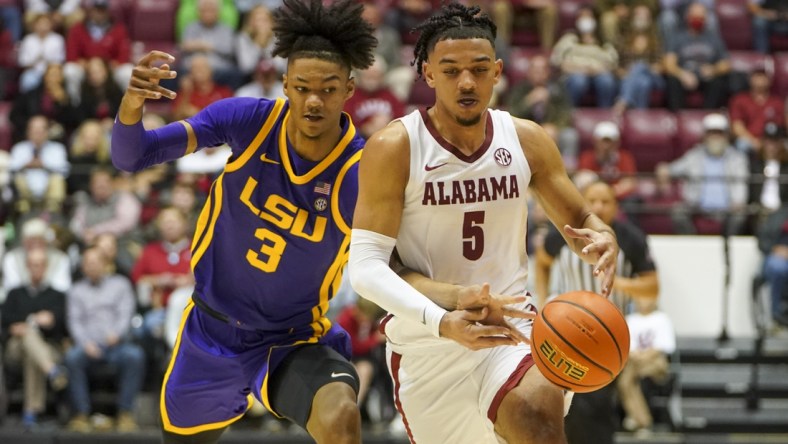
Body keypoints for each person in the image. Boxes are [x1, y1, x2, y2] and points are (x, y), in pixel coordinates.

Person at [348, 4, 620, 443]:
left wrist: (602, 236)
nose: (467, 82)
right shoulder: (395, 146)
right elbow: (364, 266)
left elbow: (581, 218)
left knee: (537, 419)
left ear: (497, 72)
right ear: (428, 74)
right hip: (427, 341)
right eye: (451, 71)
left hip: (512, 327)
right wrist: (446, 314)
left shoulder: (526, 139)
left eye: (478, 69)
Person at [110, 0, 377, 442]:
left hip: (291, 339)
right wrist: (133, 102)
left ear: (350, 89)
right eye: (303, 87)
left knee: (341, 418)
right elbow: (132, 154)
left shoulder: (357, 172)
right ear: (285, 84)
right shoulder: (249, 120)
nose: (314, 100)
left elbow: (391, 256)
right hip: (211, 329)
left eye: (329, 89)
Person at [534, 180, 659, 444]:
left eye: (606, 201)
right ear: (583, 203)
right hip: (564, 333)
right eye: (593, 200)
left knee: (594, 410)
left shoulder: (630, 238)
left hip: (606, 337)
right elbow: (542, 261)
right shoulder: (563, 233)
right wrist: (543, 300)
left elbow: (652, 287)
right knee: (564, 413)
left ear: (616, 206)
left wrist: (615, 280)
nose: (599, 207)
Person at [64, 247, 145, 433]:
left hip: (116, 344)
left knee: (135, 355)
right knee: (71, 358)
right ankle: (81, 414)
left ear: (105, 264)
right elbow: (74, 321)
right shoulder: (76, 290)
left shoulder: (121, 284)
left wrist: (117, 333)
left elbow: (126, 313)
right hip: (88, 346)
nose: (91, 267)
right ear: (82, 267)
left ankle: (126, 413)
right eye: (87, 263)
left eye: (95, 262)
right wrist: (85, 343)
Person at [1, 248, 68, 430]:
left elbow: (63, 327)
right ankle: (53, 371)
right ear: (27, 267)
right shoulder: (15, 294)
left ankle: (30, 411)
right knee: (28, 335)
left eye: (39, 265)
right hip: (14, 348)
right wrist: (17, 328)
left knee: (32, 350)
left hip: (46, 348)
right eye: (32, 265)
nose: (36, 268)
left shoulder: (57, 296)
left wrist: (51, 322)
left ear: (45, 267)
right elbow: (5, 322)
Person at [617, 296, 676, 435]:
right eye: (640, 297)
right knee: (625, 382)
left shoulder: (662, 318)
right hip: (634, 360)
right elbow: (626, 345)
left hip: (655, 360)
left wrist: (645, 356)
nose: (643, 301)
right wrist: (636, 355)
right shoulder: (631, 319)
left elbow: (665, 346)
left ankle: (640, 420)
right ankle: (640, 419)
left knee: (643, 374)